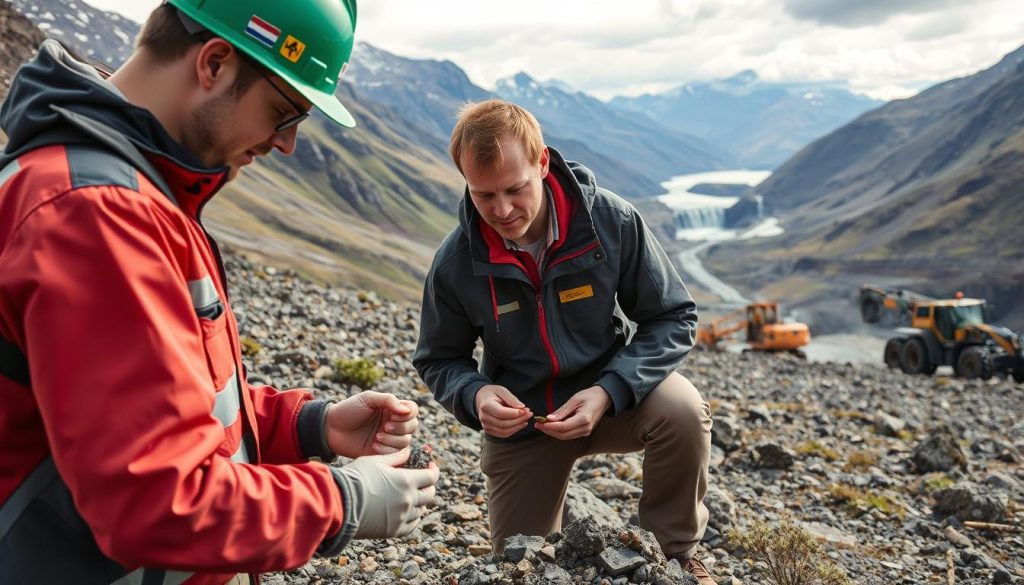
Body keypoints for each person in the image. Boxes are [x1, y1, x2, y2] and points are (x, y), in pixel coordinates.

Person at [0, 1, 438, 584]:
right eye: (284, 113)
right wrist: (342, 501)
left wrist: (312, 426)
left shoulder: (137, 190)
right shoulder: (99, 214)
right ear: (214, 63)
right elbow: (155, 500)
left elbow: (163, 399)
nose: (286, 144)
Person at [414, 100, 716, 584]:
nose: (502, 210)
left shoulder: (610, 221)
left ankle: (676, 557)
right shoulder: (455, 261)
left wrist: (610, 390)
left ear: (542, 163)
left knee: (682, 408)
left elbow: (673, 317)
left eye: (515, 189)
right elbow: (438, 358)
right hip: (524, 426)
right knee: (519, 568)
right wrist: (475, 394)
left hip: (612, 399)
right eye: (483, 195)